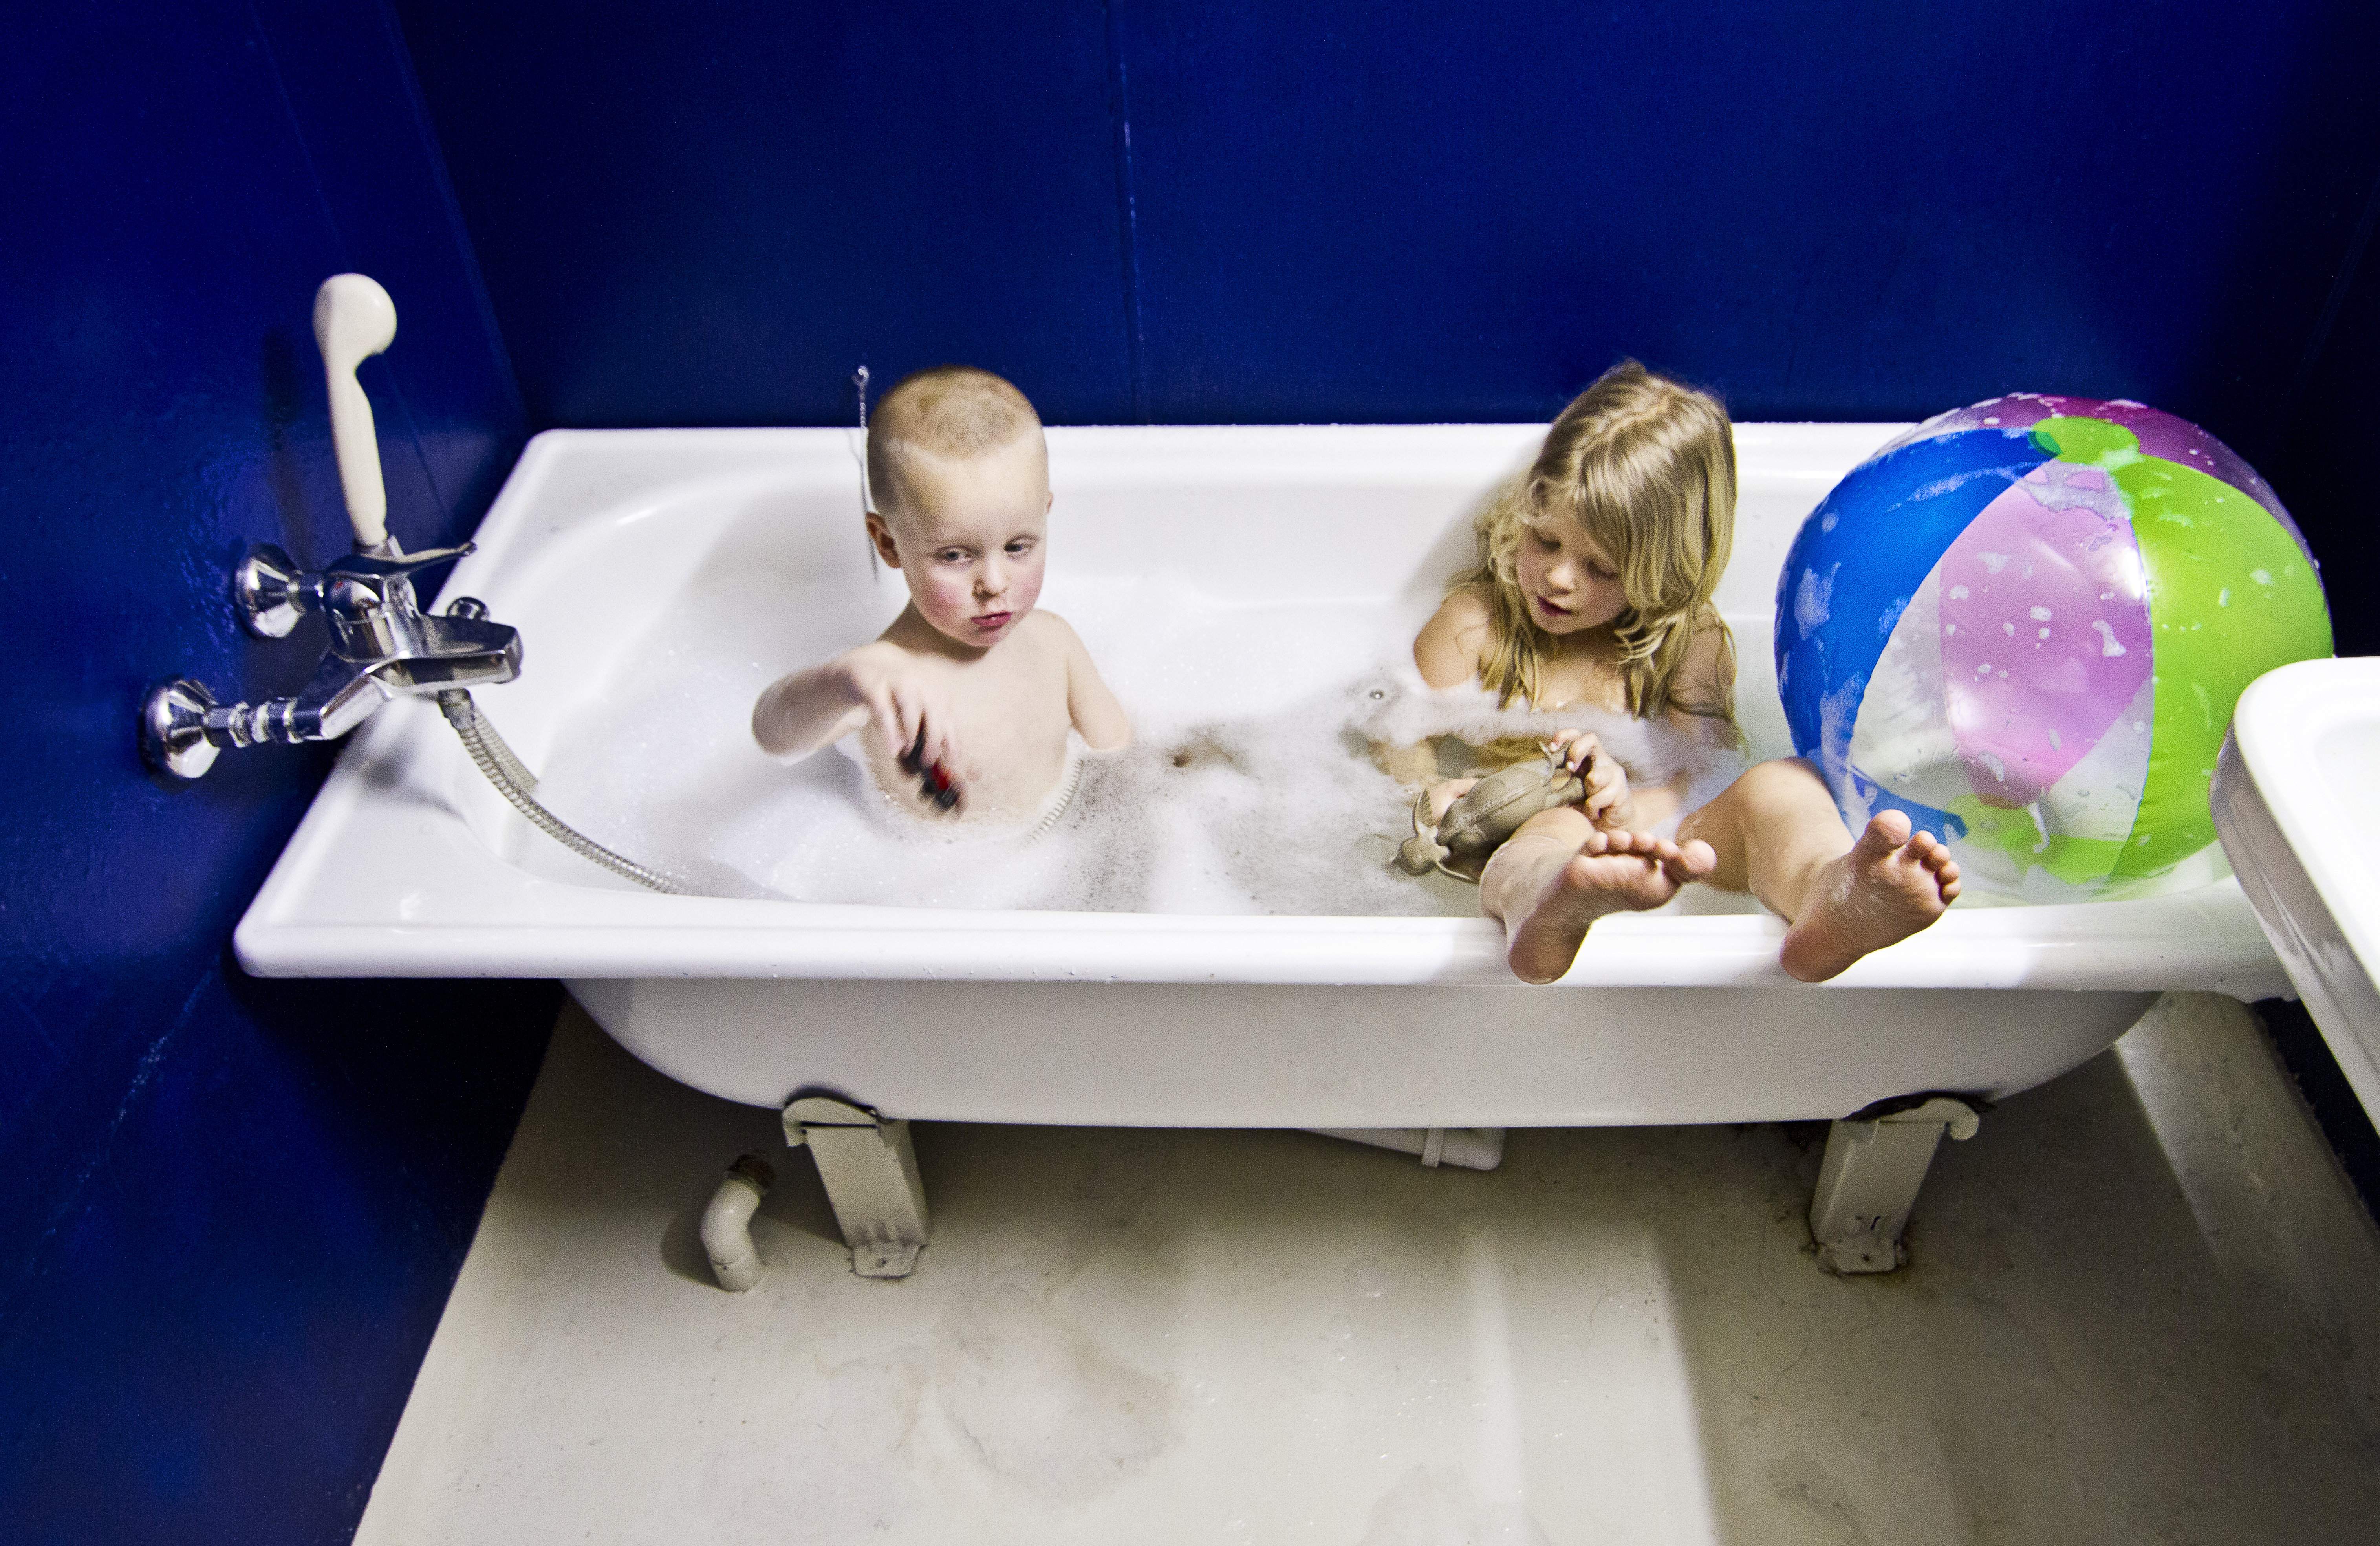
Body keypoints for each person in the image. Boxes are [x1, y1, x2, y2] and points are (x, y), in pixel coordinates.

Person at [1410, 361, 1959, 984]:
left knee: (1783, 784)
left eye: (1601, 569)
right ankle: (1546, 902)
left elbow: (1701, 772)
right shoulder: (1473, 628)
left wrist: (1622, 807)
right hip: (1543, 831)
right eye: (1546, 541)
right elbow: (1398, 742)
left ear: (1661, 572)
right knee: (1554, 826)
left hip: (1671, 837)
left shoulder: (1687, 643)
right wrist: (1429, 793)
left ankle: (1829, 896)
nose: (1560, 578)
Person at [751, 366, 1129, 821]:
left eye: (1017, 547)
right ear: (889, 543)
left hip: (1065, 854)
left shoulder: (1056, 642)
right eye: (955, 556)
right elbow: (772, 731)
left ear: (1045, 516)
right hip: (947, 883)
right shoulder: (887, 687)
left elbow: (1121, 757)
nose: (994, 583)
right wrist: (843, 678)